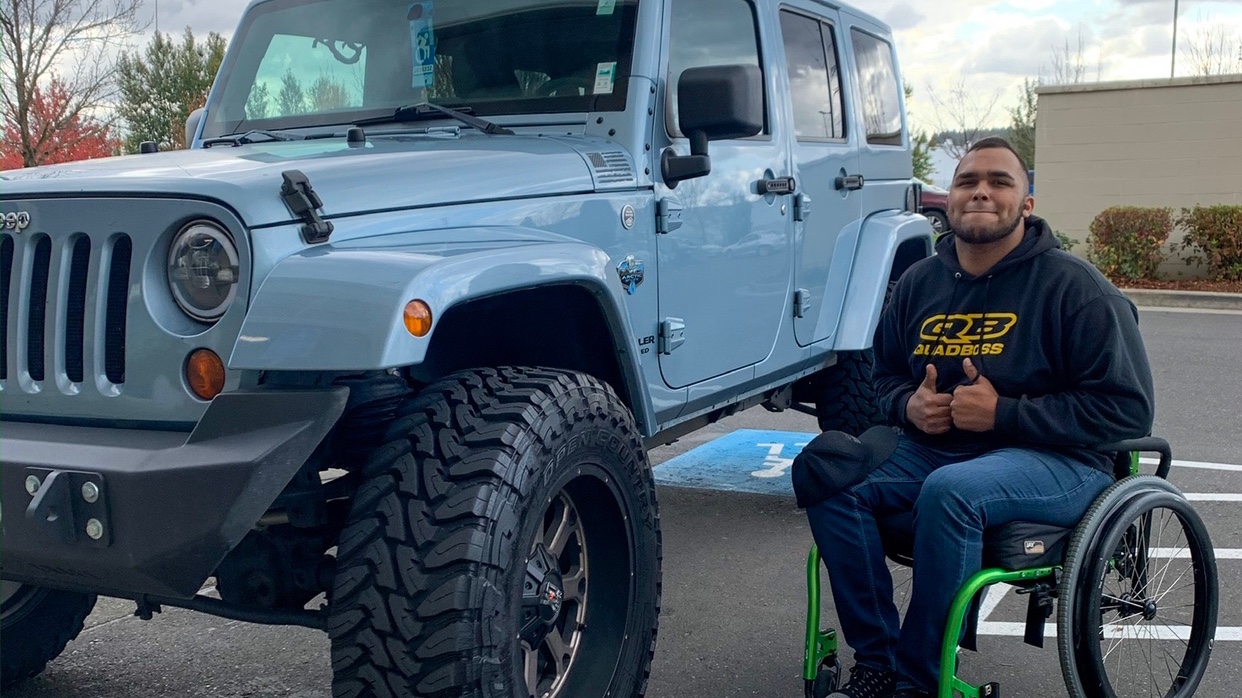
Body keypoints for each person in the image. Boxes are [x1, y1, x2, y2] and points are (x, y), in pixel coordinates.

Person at [805, 136, 1155, 698]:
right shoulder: (920, 283)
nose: (981, 192)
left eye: (1000, 182)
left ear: (1027, 203)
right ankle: (880, 661)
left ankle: (921, 684)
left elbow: (1127, 409)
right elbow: (882, 377)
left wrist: (1004, 413)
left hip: (1061, 460)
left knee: (953, 491)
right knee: (827, 472)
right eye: (968, 181)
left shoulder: (1076, 288)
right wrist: (906, 405)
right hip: (940, 449)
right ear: (950, 199)